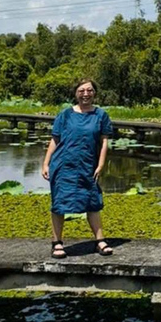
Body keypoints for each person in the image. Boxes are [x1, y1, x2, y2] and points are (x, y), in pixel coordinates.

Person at [41, 79, 114, 259]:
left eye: (89, 90)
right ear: (76, 93)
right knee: (59, 203)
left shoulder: (101, 115)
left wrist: (101, 164)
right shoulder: (64, 115)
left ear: (94, 93)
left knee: (93, 201)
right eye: (82, 90)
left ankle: (100, 241)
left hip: (88, 164)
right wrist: (45, 162)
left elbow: (104, 142)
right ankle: (57, 243)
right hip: (63, 165)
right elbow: (55, 140)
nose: (86, 94)